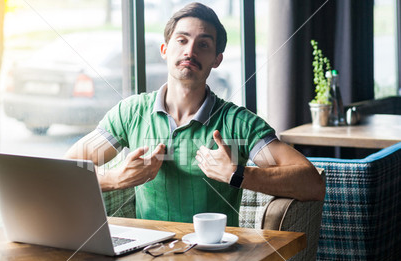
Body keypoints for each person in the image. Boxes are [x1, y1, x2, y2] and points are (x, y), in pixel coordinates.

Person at [65, 2, 325, 227]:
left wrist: (238, 174)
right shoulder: (130, 113)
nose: (190, 51)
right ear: (165, 50)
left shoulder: (238, 124)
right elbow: (66, 170)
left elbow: (312, 183)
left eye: (203, 44)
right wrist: (116, 177)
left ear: (217, 60)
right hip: (146, 260)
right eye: (182, 40)